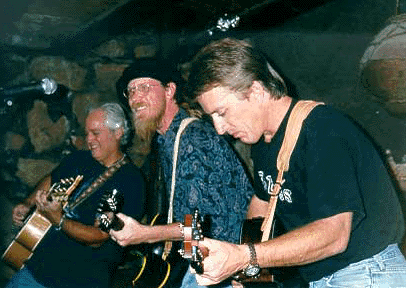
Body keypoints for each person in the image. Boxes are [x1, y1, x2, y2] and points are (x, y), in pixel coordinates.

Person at [183, 37, 406, 288]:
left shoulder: (322, 130)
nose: (219, 128)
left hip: (365, 273)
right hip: (323, 278)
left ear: (256, 91)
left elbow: (334, 235)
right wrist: (245, 269)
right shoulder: (264, 144)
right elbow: (263, 201)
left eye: (221, 113)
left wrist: (246, 256)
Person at [110, 61, 255, 288]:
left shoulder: (193, 139)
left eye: (145, 88)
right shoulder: (166, 140)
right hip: (203, 259)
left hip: (223, 267)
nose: (135, 99)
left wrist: (144, 234)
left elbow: (200, 225)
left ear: (169, 91)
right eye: (131, 91)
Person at [5, 102, 145, 288]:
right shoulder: (80, 158)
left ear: (118, 133)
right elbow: (52, 178)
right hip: (36, 270)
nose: (89, 139)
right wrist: (27, 203)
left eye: (95, 133)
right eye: (87, 133)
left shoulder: (130, 181)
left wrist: (59, 220)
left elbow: (98, 236)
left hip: (79, 280)